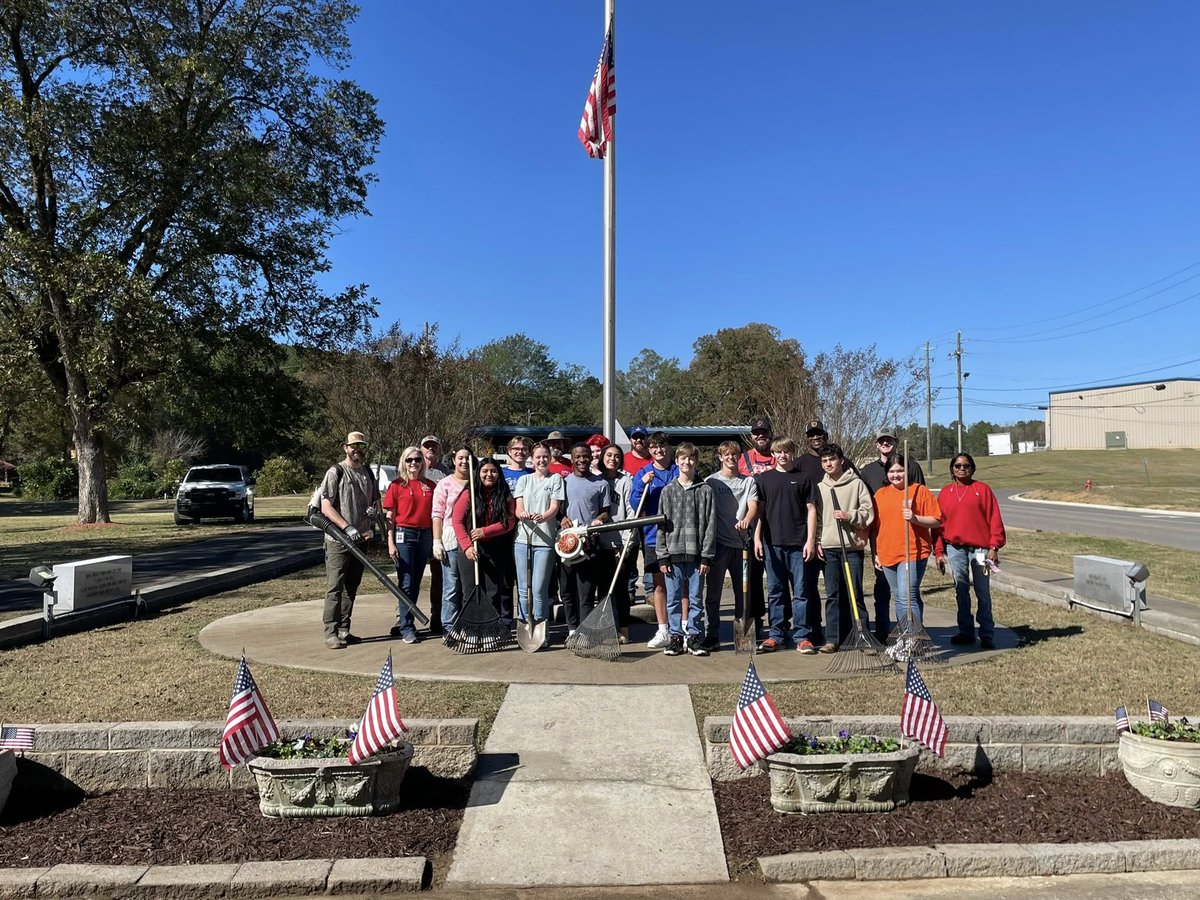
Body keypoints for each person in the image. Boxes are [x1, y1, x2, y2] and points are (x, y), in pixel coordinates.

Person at [859, 428, 926, 642]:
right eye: (882, 441)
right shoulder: (868, 471)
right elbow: (868, 509)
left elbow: (922, 501)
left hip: (909, 543)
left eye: (889, 440)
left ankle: (915, 635)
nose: (885, 443)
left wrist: (914, 516)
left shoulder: (912, 466)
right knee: (886, 590)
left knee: (909, 593)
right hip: (884, 542)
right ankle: (884, 631)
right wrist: (874, 550)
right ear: (876, 444)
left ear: (896, 442)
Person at [934, 453, 1006, 650]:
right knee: (961, 589)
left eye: (966, 465)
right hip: (955, 549)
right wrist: (938, 552)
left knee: (983, 591)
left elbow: (995, 519)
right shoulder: (946, 492)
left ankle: (987, 634)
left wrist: (994, 547)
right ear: (952, 469)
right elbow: (938, 525)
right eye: (957, 466)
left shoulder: (982, 489)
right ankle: (966, 631)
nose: (962, 469)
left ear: (973, 468)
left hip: (982, 550)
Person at [753, 437, 817, 653]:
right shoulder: (764, 479)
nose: (783, 455)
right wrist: (757, 538)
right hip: (772, 545)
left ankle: (802, 637)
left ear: (792, 453)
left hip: (798, 544)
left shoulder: (804, 478)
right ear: (773, 454)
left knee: (801, 593)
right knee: (775, 592)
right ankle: (776, 635)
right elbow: (760, 513)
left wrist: (810, 540)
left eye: (786, 451)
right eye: (778, 452)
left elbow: (811, 510)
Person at [318, 431, 381, 650]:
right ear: (345, 447)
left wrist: (374, 512)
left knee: (351, 586)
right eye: (353, 446)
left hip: (361, 539)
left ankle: (344, 628)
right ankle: (331, 631)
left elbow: (375, 501)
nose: (357, 450)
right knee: (334, 587)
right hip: (338, 540)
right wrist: (346, 527)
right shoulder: (336, 472)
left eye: (361, 446)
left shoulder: (368, 473)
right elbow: (325, 507)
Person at [870, 452, 943, 629]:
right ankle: (907, 633)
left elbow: (936, 520)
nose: (896, 475)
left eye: (900, 470)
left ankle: (912, 637)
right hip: (887, 553)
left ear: (907, 471)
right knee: (900, 597)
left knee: (906, 597)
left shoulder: (919, 491)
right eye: (892, 471)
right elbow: (875, 529)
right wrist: (876, 553)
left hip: (912, 553)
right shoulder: (880, 495)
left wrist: (915, 518)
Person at [658, 442, 716, 657]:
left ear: (696, 461)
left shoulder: (705, 490)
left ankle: (694, 636)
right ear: (677, 461)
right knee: (673, 599)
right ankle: (675, 637)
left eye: (691, 458)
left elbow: (710, 525)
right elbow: (661, 526)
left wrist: (706, 556)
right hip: (672, 554)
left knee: (695, 599)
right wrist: (662, 556)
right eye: (683, 458)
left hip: (696, 554)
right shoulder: (668, 491)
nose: (687, 462)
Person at [815, 444, 875, 651]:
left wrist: (849, 515)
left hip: (850, 548)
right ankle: (832, 639)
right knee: (833, 595)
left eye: (832, 459)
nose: (828, 464)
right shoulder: (820, 487)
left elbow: (868, 512)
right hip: (829, 547)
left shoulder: (856, 484)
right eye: (824, 461)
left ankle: (862, 637)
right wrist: (818, 541)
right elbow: (818, 518)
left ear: (841, 460)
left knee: (854, 593)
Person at [703, 440, 759, 652]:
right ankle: (712, 634)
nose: (730, 457)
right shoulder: (711, 482)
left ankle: (742, 635)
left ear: (739, 457)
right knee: (713, 593)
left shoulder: (748, 482)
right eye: (726, 454)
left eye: (734, 454)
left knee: (743, 593)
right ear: (720, 457)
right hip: (718, 545)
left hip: (741, 545)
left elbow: (753, 506)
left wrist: (746, 520)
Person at [629, 432, 679, 649]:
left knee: (681, 584)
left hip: (679, 536)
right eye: (654, 447)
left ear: (668, 447)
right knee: (659, 585)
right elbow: (635, 504)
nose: (659, 450)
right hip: (653, 537)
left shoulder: (679, 470)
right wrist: (642, 485)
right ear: (649, 450)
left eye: (662, 446)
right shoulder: (643, 473)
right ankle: (663, 629)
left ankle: (682, 628)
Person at [451, 457, 517, 621]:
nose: (489, 475)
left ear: (499, 474)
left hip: (496, 548)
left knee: (493, 592)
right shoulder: (469, 494)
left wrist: (485, 532)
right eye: (485, 471)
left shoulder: (505, 495)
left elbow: (509, 522)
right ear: (478, 473)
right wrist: (467, 546)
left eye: (493, 471)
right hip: (471, 548)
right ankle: (472, 627)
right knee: (470, 592)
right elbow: (457, 521)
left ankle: (490, 627)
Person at [559, 443, 613, 636]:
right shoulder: (563, 482)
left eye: (585, 456)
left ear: (591, 458)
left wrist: (600, 519)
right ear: (572, 459)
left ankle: (585, 632)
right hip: (566, 544)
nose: (582, 460)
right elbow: (556, 509)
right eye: (578, 456)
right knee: (567, 590)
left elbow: (606, 511)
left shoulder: (602, 484)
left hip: (590, 544)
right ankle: (572, 629)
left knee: (586, 592)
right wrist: (561, 518)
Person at [383, 446, 436, 644]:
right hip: (404, 534)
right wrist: (390, 542)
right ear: (403, 462)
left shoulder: (430, 486)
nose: (413, 463)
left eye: (417, 459)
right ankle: (406, 627)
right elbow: (390, 517)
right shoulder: (396, 485)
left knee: (416, 582)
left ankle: (408, 622)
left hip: (425, 535)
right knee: (406, 582)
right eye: (409, 460)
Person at [513, 442, 565, 638]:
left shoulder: (556, 479)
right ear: (532, 459)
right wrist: (523, 514)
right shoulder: (524, 480)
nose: (542, 460)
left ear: (550, 459)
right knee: (523, 588)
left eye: (545, 456)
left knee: (538, 589)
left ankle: (541, 628)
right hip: (523, 540)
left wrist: (543, 516)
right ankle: (525, 624)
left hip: (545, 540)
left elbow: (554, 507)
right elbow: (518, 508)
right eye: (538, 457)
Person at [738, 417, 775, 638]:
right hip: (751, 526)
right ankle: (756, 620)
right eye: (757, 433)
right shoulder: (742, 459)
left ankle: (780, 623)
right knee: (751, 578)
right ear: (751, 436)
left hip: (776, 523)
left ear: (770, 434)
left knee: (777, 578)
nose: (761, 436)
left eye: (764, 432)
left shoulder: (779, 456)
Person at [795, 419, 830, 645]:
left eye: (819, 434)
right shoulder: (799, 464)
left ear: (826, 436)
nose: (816, 438)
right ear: (807, 439)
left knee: (836, 587)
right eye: (811, 435)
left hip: (832, 533)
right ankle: (813, 630)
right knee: (808, 587)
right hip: (807, 535)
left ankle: (839, 630)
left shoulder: (838, 461)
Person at [431, 446, 473, 636]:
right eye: (461, 458)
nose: (464, 461)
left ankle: (467, 624)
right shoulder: (445, 484)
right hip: (451, 539)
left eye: (467, 458)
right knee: (452, 586)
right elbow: (437, 514)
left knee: (468, 585)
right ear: (454, 460)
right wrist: (437, 541)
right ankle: (449, 627)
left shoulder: (476, 482)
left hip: (471, 539)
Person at [420, 435, 450, 633]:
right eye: (427, 446)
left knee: (439, 576)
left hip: (438, 529)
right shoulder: (414, 466)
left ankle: (437, 616)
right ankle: (403, 618)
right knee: (411, 576)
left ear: (439, 449)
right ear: (421, 449)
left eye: (434, 446)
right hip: (418, 529)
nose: (430, 449)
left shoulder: (445, 472)